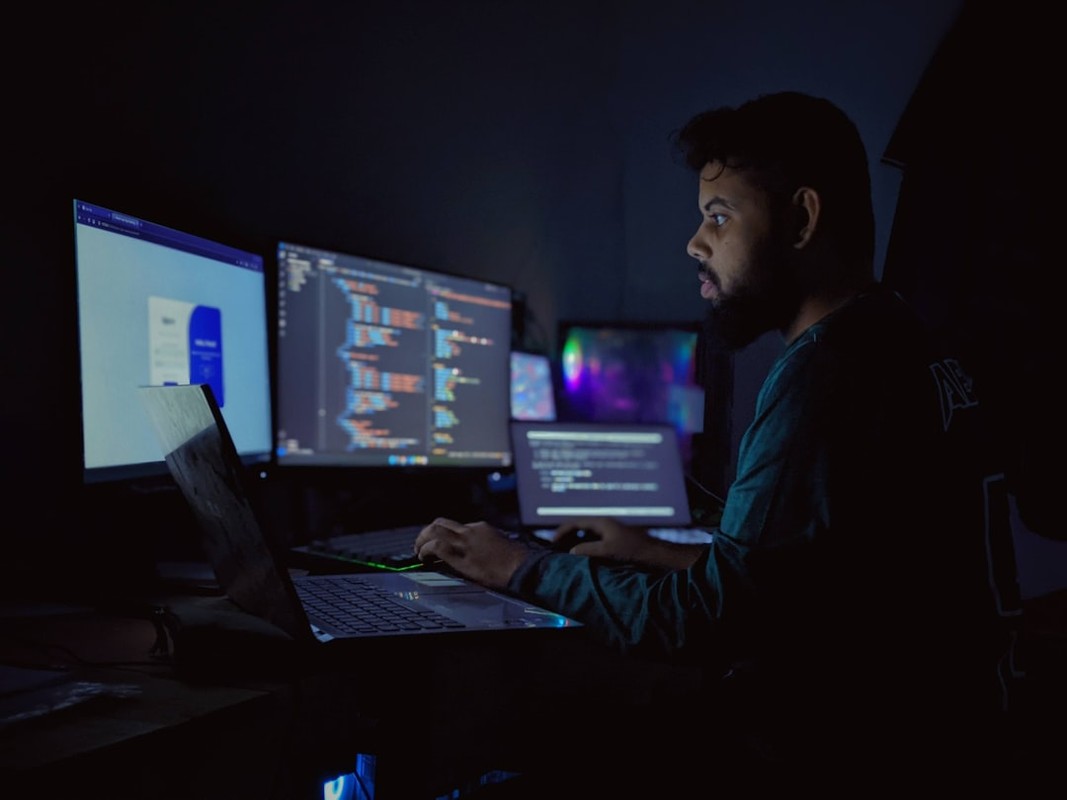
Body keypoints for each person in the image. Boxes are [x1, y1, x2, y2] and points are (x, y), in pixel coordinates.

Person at [414, 91, 1022, 795]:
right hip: (949, 744)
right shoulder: (902, 337)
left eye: (717, 216)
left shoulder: (829, 374)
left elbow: (713, 622)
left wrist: (516, 566)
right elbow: (818, 581)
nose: (694, 243)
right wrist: (654, 552)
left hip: (849, 760)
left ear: (799, 218)